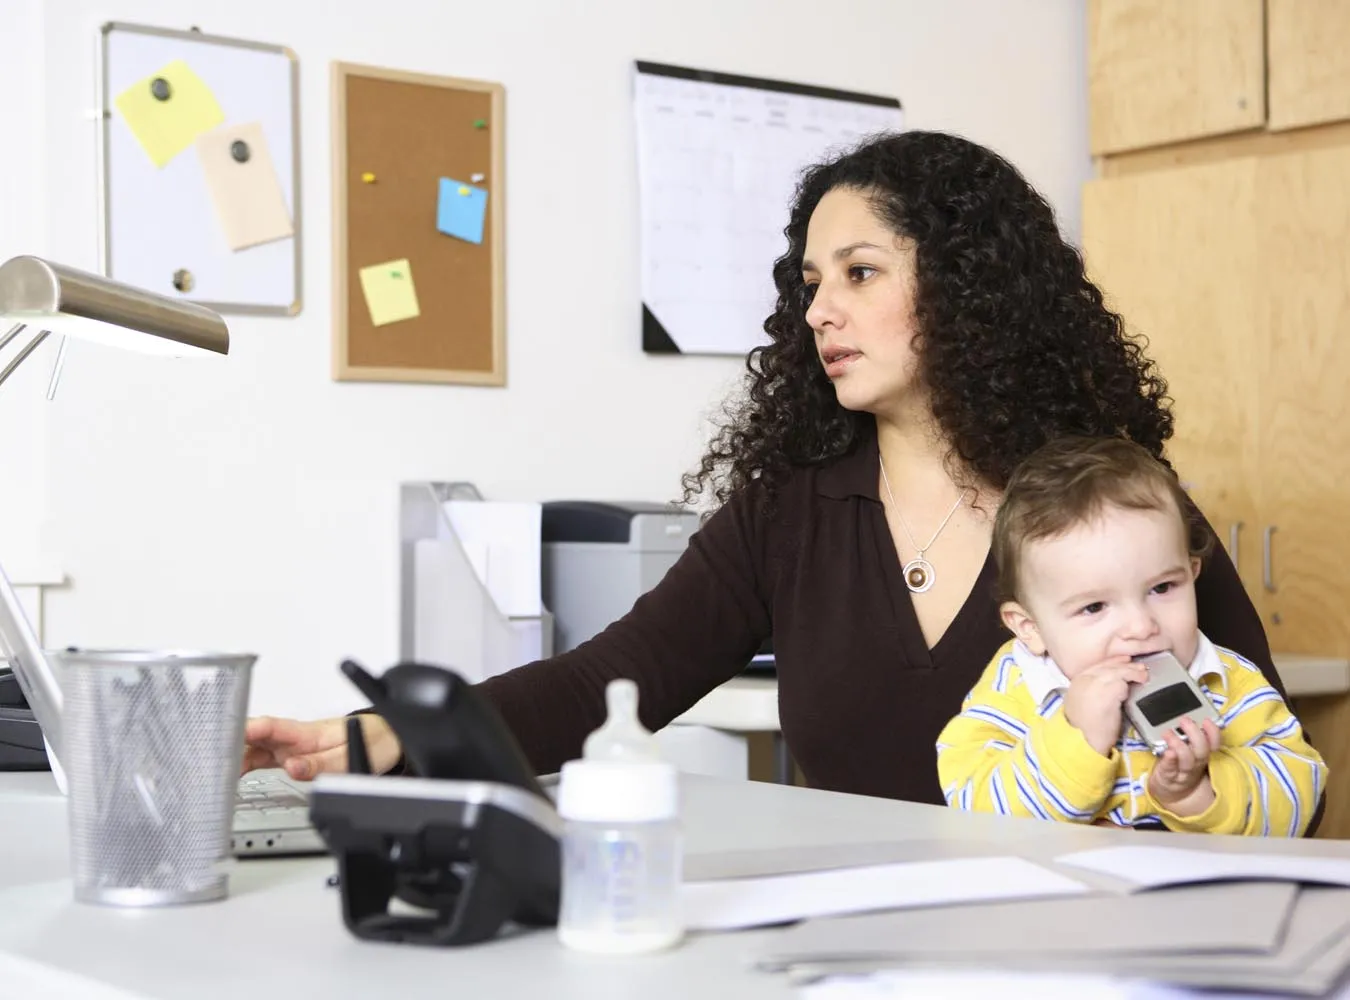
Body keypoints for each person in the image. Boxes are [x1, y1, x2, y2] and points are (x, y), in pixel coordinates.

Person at [243, 130, 1307, 816]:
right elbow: (608, 680)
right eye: (809, 281)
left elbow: (1272, 753)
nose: (818, 312)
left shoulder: (1110, 506)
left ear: (973, 289)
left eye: (859, 272)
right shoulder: (790, 510)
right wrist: (389, 733)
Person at [936, 437, 1327, 835]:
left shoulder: (1228, 681)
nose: (1141, 627)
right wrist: (1077, 739)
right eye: (1094, 608)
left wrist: (1196, 793)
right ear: (1030, 628)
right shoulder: (1015, 687)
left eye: (1162, 589)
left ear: (1191, 574)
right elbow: (974, 807)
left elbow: (1299, 790)